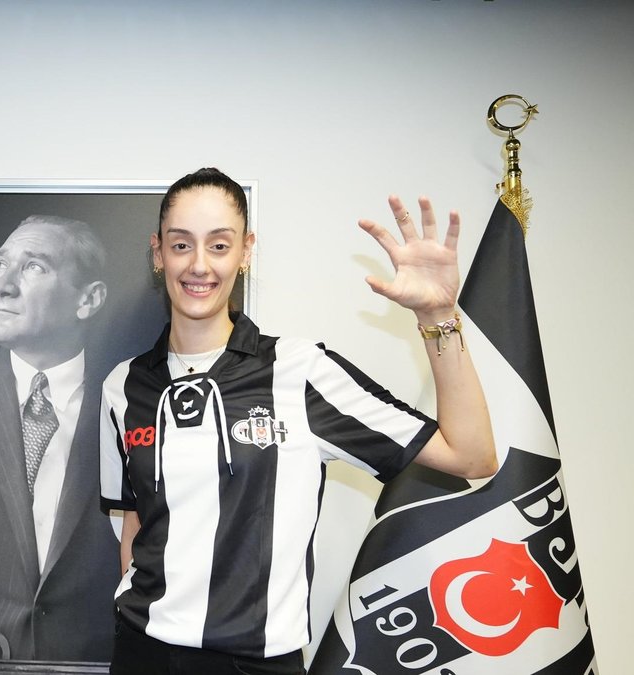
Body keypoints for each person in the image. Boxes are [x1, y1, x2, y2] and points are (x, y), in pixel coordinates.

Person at [100, 168, 497, 675]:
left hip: (257, 664)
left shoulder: (301, 371)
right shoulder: (122, 386)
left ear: (246, 251)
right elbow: (135, 524)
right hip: (143, 656)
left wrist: (437, 316)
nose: (199, 264)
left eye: (219, 245)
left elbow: (472, 455)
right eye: (181, 245)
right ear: (158, 253)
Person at [0, 215, 119, 661]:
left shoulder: (125, 401)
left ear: (89, 299)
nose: (2, 286)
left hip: (93, 663)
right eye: (1, 264)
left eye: (34, 267)